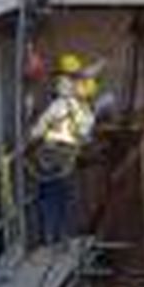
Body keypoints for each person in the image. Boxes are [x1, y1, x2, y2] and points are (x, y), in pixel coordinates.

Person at [29, 53, 97, 246]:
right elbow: (85, 135)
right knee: (64, 196)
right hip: (66, 158)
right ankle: (62, 238)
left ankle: (50, 239)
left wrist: (30, 136)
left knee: (51, 196)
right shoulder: (82, 110)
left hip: (51, 156)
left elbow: (37, 132)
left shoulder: (58, 106)